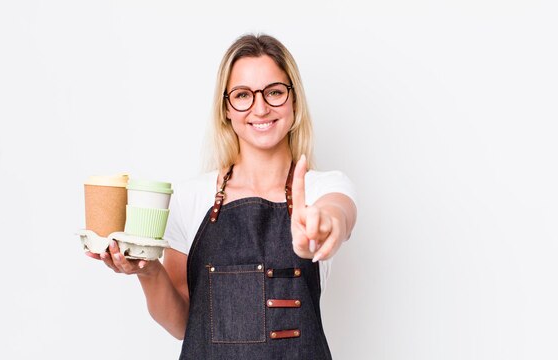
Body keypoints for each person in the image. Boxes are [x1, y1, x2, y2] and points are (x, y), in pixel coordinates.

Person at [86, 34, 357, 359]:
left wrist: (323, 224)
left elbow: (339, 212)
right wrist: (148, 271)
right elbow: (182, 324)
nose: (260, 107)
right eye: (243, 95)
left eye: (274, 92)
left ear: (294, 101)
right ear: (226, 107)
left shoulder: (319, 190)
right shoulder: (189, 199)